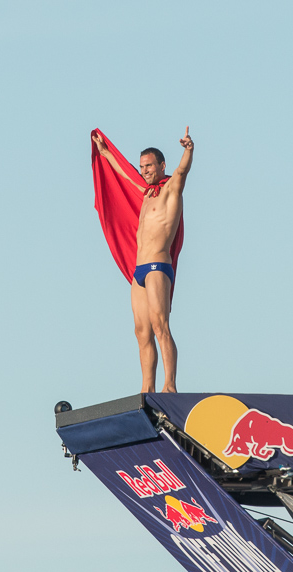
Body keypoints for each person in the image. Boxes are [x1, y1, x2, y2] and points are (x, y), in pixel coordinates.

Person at [92, 128, 194, 393]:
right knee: (141, 331)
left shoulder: (171, 189)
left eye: (149, 166)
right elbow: (126, 175)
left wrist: (188, 150)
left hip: (158, 266)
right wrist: (105, 154)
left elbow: (182, 172)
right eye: (142, 167)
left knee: (161, 325)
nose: (145, 170)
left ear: (162, 165)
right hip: (139, 270)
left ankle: (169, 385)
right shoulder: (147, 193)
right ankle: (146, 388)